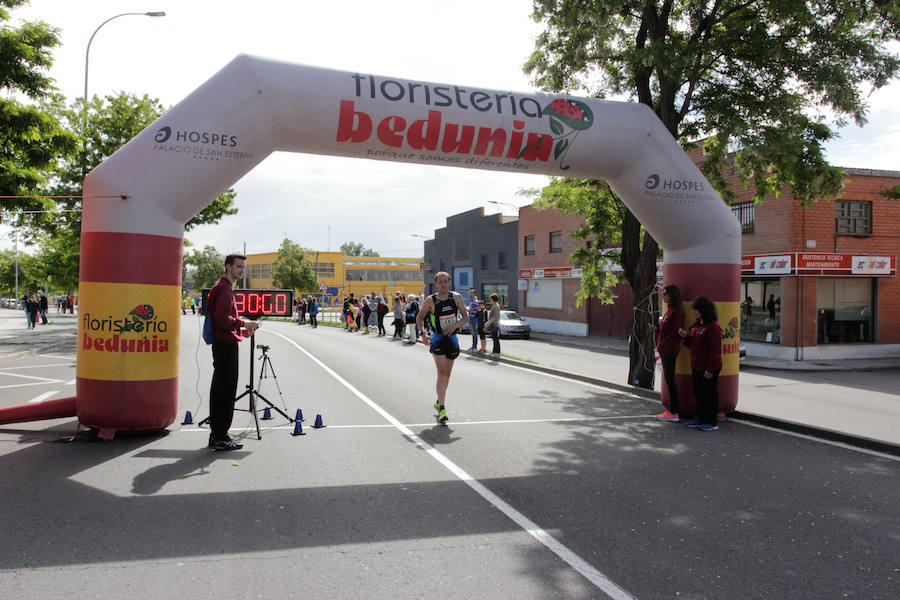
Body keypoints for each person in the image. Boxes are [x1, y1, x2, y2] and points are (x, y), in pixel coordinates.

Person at [206, 254, 260, 451]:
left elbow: (224, 319)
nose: (241, 270)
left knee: (222, 390)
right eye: (238, 266)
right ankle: (220, 435)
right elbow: (221, 318)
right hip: (225, 345)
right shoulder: (224, 289)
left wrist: (240, 329)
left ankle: (218, 434)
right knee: (225, 391)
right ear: (228, 266)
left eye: (243, 267)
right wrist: (244, 323)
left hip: (225, 342)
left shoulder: (223, 287)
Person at [416, 272, 468, 423]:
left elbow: (465, 317)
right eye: (441, 282)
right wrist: (423, 334)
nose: (443, 284)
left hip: (451, 338)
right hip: (437, 338)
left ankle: (439, 401)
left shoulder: (456, 297)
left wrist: (455, 325)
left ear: (450, 283)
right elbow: (419, 317)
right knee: (441, 373)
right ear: (436, 284)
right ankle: (443, 408)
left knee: (447, 376)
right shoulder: (430, 300)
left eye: (446, 281)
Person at [679, 296, 722, 432]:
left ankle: (711, 421)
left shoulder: (713, 327)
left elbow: (715, 350)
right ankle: (700, 417)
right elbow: (690, 344)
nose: (694, 312)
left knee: (709, 394)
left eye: (696, 310)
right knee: (698, 392)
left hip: (708, 367)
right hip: (696, 365)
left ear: (703, 310)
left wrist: (710, 369)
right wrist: (685, 336)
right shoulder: (696, 325)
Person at [652, 285, 685, 422]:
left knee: (670, 380)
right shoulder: (669, 310)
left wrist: (664, 342)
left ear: (672, 295)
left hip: (669, 349)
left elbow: (675, 332)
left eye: (665, 294)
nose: (663, 296)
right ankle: (672, 410)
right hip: (665, 348)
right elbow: (666, 329)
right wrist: (656, 329)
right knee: (669, 379)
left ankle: (674, 411)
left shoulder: (677, 312)